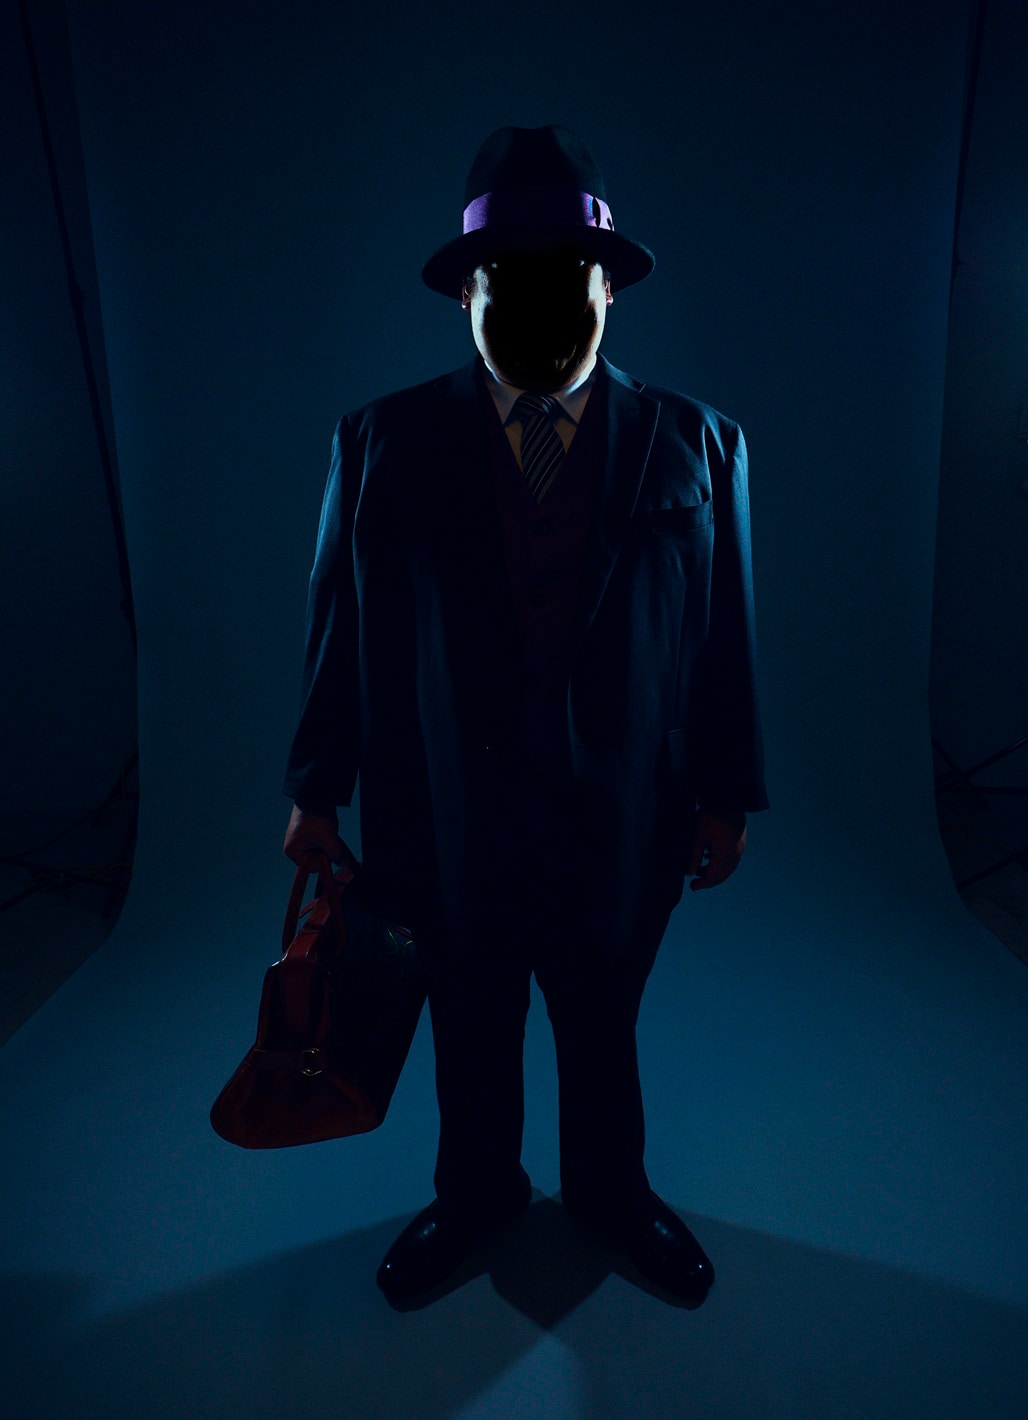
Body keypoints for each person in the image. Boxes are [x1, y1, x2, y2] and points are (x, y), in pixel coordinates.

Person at [283, 125, 767, 1304]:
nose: (546, 301)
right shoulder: (381, 440)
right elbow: (338, 624)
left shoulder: (698, 441)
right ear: (466, 293)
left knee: (601, 1015)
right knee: (470, 1014)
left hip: (627, 806)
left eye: (571, 274)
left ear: (609, 288)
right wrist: (313, 790)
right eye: (515, 276)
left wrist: (727, 792)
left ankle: (609, 1193)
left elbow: (725, 635)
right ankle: (476, 1193)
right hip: (445, 805)